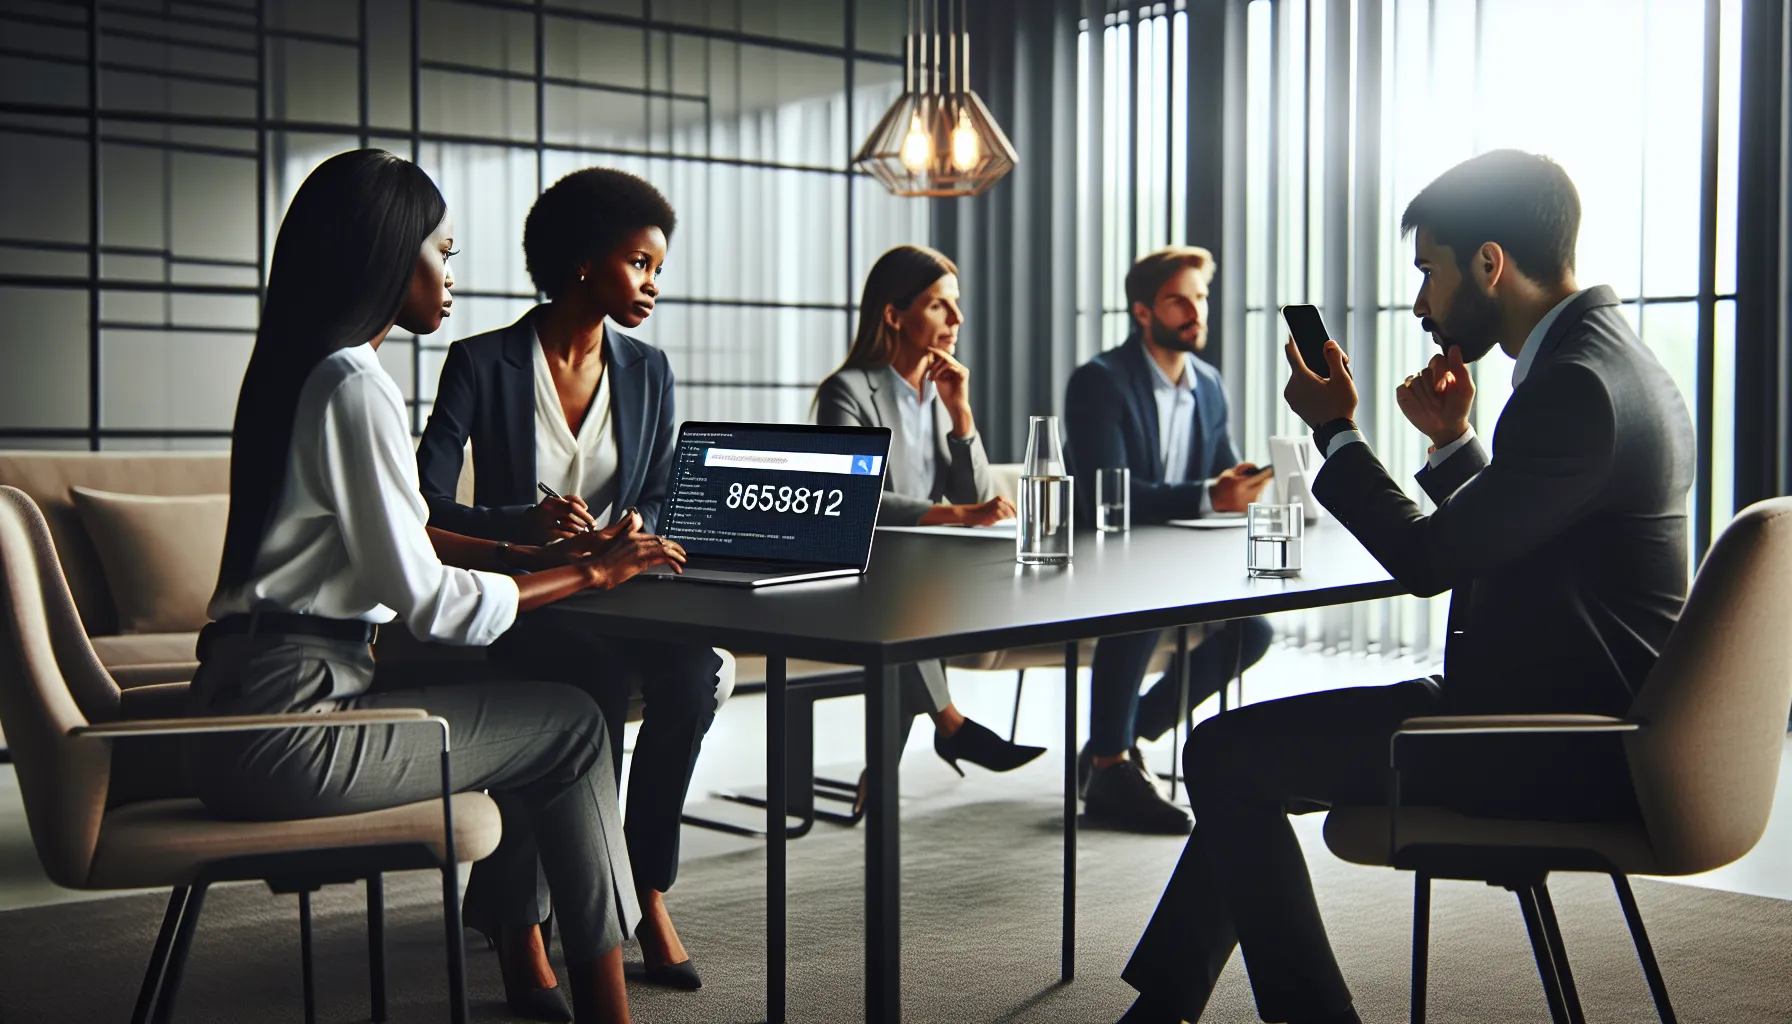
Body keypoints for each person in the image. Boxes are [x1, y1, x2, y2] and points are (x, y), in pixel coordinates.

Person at [1116, 150, 1694, 1024]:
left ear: (1490, 263)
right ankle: (1160, 1010)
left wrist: (1337, 432)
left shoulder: (1573, 385)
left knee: (1223, 756)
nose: (1422, 302)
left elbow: (1430, 565)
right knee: (1244, 755)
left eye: (1429, 270)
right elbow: (1524, 543)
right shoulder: (1611, 361)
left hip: (1551, 744)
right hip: (1557, 710)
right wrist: (1454, 445)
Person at [184, 149, 687, 1024]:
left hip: (248, 699)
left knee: (567, 700)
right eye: (443, 253)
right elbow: (433, 600)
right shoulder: (354, 384)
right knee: (571, 724)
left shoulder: (301, 368)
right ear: (388, 254)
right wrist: (589, 571)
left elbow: (407, 536)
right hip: (291, 726)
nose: (452, 276)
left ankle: (546, 946)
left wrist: (533, 556)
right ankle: (606, 1004)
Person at [416, 167, 722, 991]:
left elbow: (660, 490)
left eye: (658, 266)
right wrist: (521, 522)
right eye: (640, 263)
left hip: (625, 594)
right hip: (534, 601)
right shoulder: (480, 363)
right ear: (585, 261)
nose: (654, 283)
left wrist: (636, 528)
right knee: (584, 680)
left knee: (695, 676)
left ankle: (642, 889)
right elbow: (425, 501)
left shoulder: (649, 369)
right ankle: (525, 923)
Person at [815, 244, 1044, 807]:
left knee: (912, 597)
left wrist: (961, 412)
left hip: (920, 571)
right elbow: (852, 499)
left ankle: (882, 772)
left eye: (956, 306)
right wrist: (958, 515)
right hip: (859, 567)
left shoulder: (941, 393)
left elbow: (977, 494)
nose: (957, 320)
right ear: (894, 315)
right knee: (904, 600)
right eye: (941, 306)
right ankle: (951, 724)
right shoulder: (848, 392)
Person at [1062, 246, 1275, 835]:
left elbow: (1223, 473)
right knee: (1149, 598)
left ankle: (1120, 739)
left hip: (1178, 560)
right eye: (1178, 299)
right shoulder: (1099, 382)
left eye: (1201, 297)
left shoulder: (1209, 384)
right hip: (1103, 555)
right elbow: (1111, 494)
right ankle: (1109, 763)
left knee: (1252, 630)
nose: (1195, 310)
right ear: (1142, 311)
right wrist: (1209, 494)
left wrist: (1252, 486)